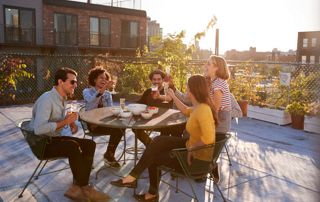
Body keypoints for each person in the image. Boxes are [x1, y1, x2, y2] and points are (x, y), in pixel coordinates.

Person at [110, 75, 217, 201]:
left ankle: (150, 193)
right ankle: (133, 177)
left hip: (196, 160)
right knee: (158, 141)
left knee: (154, 158)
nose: (186, 88)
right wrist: (173, 96)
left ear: (194, 89)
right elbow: (186, 110)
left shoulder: (203, 110)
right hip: (191, 148)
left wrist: (191, 149)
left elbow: (209, 139)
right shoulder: (199, 106)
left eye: (188, 86)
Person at [29, 67, 109, 201]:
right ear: (60, 82)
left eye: (76, 82)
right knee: (72, 146)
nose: (75, 85)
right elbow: (39, 129)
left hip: (53, 138)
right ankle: (84, 188)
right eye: (72, 82)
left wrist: (69, 122)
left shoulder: (61, 98)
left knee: (90, 144)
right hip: (42, 143)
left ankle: (79, 185)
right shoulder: (47, 99)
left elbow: (56, 120)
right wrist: (65, 121)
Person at [83, 67, 124, 168]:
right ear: (94, 79)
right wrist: (103, 90)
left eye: (105, 78)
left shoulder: (107, 94)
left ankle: (109, 154)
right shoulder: (87, 91)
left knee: (121, 127)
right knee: (117, 129)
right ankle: (109, 156)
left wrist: (118, 112)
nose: (104, 80)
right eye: (101, 78)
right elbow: (91, 102)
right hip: (92, 124)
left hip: (104, 122)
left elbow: (109, 110)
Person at [135, 69, 184, 146]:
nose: (156, 81)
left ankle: (157, 147)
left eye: (159, 79)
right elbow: (139, 103)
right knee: (135, 128)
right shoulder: (148, 91)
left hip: (164, 123)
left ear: (162, 80)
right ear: (151, 81)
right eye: (154, 79)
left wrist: (158, 96)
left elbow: (169, 98)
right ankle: (150, 145)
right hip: (149, 121)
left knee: (167, 131)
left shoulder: (167, 90)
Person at [205, 55, 232, 133]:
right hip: (218, 117)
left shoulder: (218, 83)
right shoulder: (214, 81)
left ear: (216, 68)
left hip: (220, 121)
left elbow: (215, 108)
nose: (206, 66)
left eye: (209, 64)